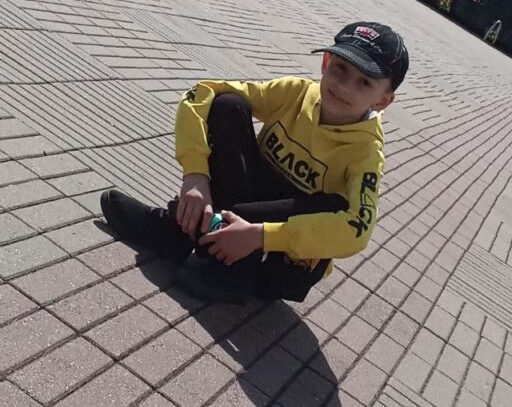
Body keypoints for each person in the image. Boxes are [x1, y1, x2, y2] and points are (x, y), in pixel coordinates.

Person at [101, 21, 409, 302]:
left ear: (382, 100)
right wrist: (195, 175)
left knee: (336, 207)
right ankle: (194, 240)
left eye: (364, 82)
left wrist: (261, 236)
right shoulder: (297, 93)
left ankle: (199, 248)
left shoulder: (368, 153)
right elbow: (202, 93)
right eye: (341, 68)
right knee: (227, 106)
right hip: (244, 208)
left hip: (281, 262)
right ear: (326, 62)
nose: (344, 86)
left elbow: (358, 231)